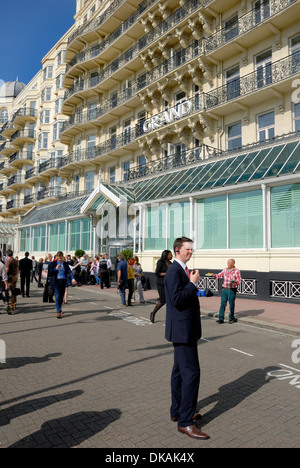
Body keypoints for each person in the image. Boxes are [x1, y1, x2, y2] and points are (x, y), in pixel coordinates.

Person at [164, 237, 209, 441]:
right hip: (183, 331)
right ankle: (186, 422)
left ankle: (178, 411)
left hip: (183, 329)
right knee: (191, 373)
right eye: (187, 249)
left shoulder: (181, 269)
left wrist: (190, 282)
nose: (191, 252)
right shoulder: (175, 271)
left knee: (179, 372)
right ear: (177, 250)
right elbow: (177, 299)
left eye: (192, 249)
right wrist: (192, 284)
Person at [48, 251, 77, 319]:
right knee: (57, 296)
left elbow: (69, 271)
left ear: (62, 257)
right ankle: (58, 312)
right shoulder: (53, 263)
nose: (60, 259)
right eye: (58, 258)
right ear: (57, 257)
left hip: (63, 281)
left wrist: (73, 279)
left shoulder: (65, 264)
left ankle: (60, 309)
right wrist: (56, 269)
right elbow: (50, 273)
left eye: (61, 258)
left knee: (61, 297)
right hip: (56, 281)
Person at [214, 259, 242, 324]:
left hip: (231, 289)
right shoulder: (225, 269)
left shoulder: (237, 271)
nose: (228, 264)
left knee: (231, 304)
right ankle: (221, 318)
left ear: (233, 264)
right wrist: (214, 275)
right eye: (228, 263)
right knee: (222, 304)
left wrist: (234, 282)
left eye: (229, 263)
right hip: (224, 289)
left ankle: (231, 318)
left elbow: (239, 280)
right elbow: (219, 275)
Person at [150, 250, 172, 323]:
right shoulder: (160, 262)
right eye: (170, 254)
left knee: (170, 301)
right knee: (163, 300)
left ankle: (171, 318)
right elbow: (157, 273)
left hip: (169, 284)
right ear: (166, 255)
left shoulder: (171, 263)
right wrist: (166, 273)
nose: (171, 256)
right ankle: (153, 313)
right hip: (161, 284)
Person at [5, 250, 19, 315]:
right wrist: (15, 275)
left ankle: (11, 306)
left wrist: (5, 276)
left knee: (10, 291)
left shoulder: (8, 261)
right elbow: (17, 269)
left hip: (10, 277)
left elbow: (7, 269)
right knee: (14, 291)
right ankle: (14, 305)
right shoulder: (15, 260)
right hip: (14, 277)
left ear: (7, 255)